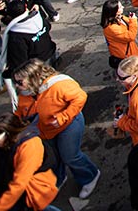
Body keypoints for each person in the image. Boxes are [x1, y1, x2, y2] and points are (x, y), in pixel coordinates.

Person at [11, 59, 100, 198]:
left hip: (69, 125)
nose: (16, 86)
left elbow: (80, 98)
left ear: (33, 78)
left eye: (20, 82)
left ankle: (90, 176)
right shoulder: (26, 93)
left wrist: (63, 117)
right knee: (54, 156)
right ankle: (58, 178)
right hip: (46, 130)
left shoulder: (59, 85)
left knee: (70, 156)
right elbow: (21, 112)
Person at [0, 113, 61, 211]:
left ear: (7, 135)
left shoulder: (30, 146)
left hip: (26, 193)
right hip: (9, 193)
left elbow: (19, 183)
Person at [101, 0, 138, 66]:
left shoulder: (119, 17)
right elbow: (130, 36)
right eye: (120, 7)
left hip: (131, 49)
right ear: (115, 11)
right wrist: (133, 20)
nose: (123, 7)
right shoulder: (112, 28)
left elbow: (128, 24)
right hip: (126, 56)